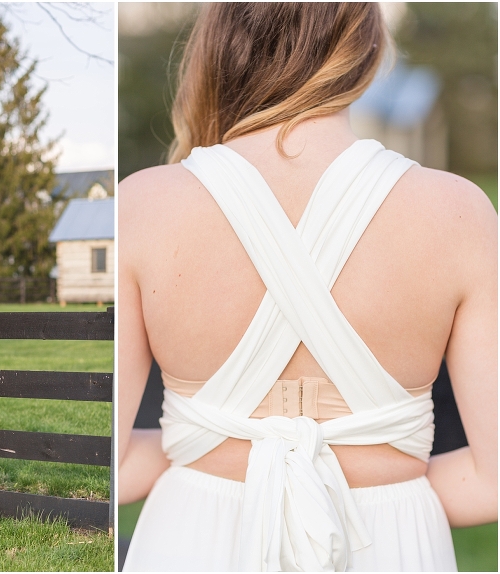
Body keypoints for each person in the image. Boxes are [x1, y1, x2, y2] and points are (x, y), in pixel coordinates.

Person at [118, 3, 497, 571]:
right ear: (366, 54)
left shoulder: (143, 205)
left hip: (190, 533)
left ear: (220, 48)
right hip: (388, 540)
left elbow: (113, 465)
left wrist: (198, 448)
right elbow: (491, 483)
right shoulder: (459, 212)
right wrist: (381, 487)